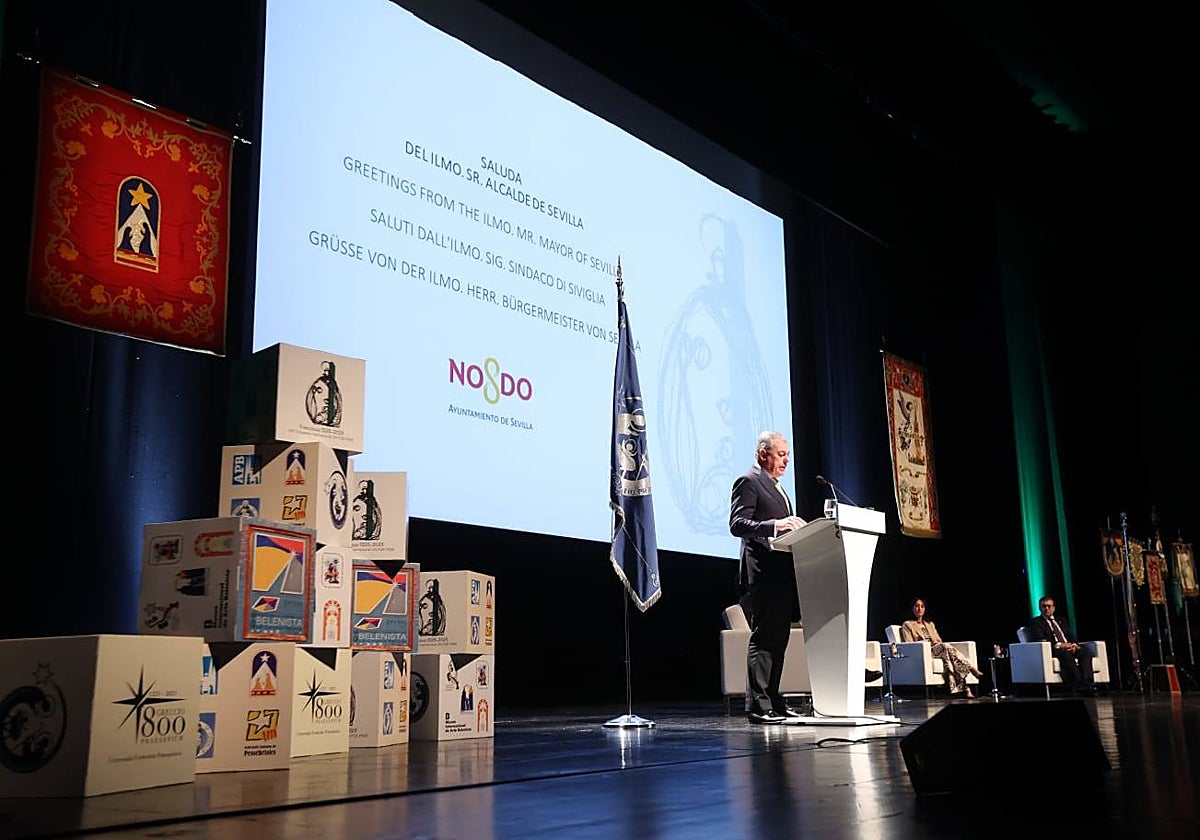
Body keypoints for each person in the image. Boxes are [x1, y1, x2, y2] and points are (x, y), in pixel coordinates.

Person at [730, 431, 808, 724]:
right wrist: (776, 525)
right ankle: (758, 705)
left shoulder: (778, 488)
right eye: (780, 454)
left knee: (779, 639)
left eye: (787, 455)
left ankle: (774, 700)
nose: (786, 460)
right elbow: (737, 524)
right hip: (762, 572)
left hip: (782, 572)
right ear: (763, 454)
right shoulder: (749, 481)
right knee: (764, 638)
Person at [900, 597, 984, 698]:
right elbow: (909, 644)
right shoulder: (907, 625)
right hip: (924, 652)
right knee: (946, 647)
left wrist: (936, 642)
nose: (920, 609)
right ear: (912, 608)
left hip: (939, 649)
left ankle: (966, 689)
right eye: (917, 606)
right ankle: (971, 669)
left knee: (948, 659)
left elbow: (939, 640)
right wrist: (927, 642)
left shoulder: (930, 624)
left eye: (922, 606)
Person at [1028, 595, 1095, 694]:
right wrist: (1060, 645)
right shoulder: (1036, 622)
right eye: (1044, 606)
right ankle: (1079, 683)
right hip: (1054, 649)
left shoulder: (1061, 620)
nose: (1046, 608)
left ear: (1054, 608)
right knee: (1065, 654)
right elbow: (1039, 639)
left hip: (1068, 646)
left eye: (1049, 606)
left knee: (1085, 652)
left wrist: (1074, 645)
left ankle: (1086, 682)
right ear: (1040, 608)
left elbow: (1070, 636)